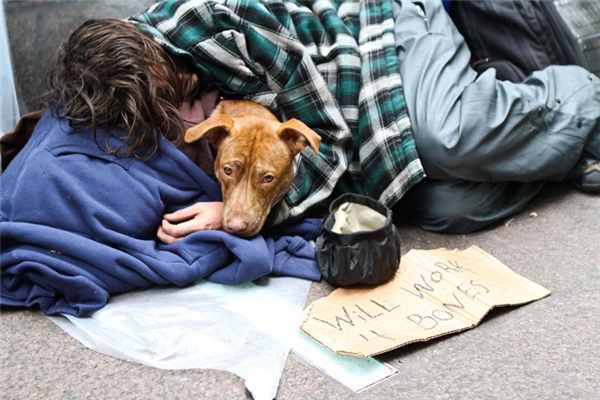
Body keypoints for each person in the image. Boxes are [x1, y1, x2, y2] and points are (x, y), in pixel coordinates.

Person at [0, 18, 323, 317]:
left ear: (157, 53)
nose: (185, 88)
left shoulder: (237, 32)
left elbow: (332, 140)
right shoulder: (102, 71)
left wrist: (254, 210)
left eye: (166, 94)